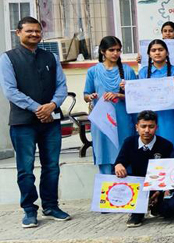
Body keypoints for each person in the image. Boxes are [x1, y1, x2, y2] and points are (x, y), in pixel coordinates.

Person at [1, 16, 71, 227]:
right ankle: (29, 210)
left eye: (37, 31)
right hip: (23, 123)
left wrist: (52, 105)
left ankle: (51, 206)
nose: (34, 34)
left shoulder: (50, 57)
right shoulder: (8, 58)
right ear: (18, 33)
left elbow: (61, 86)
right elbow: (10, 90)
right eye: (29, 31)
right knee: (25, 168)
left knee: (52, 166)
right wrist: (37, 108)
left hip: (50, 121)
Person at [84, 35, 138, 175]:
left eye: (118, 50)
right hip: (102, 121)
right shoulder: (93, 71)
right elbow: (86, 95)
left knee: (125, 155)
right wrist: (91, 96)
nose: (115, 53)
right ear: (103, 51)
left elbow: (136, 98)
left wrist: (119, 95)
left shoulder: (128, 71)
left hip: (123, 120)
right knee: (105, 156)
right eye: (111, 50)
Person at [113, 110, 174, 227]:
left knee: (167, 211)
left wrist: (160, 190)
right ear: (137, 127)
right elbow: (121, 161)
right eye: (143, 126)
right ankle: (137, 212)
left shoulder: (166, 145)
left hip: (157, 184)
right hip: (138, 185)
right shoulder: (129, 142)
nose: (147, 130)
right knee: (118, 172)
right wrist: (118, 165)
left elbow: (169, 171)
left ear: (156, 127)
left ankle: (155, 205)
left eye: (151, 126)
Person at [139, 39, 174, 146]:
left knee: (172, 144)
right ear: (149, 54)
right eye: (153, 50)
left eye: (161, 49)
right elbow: (140, 93)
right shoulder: (143, 72)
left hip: (172, 115)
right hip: (151, 114)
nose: (157, 52)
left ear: (167, 52)